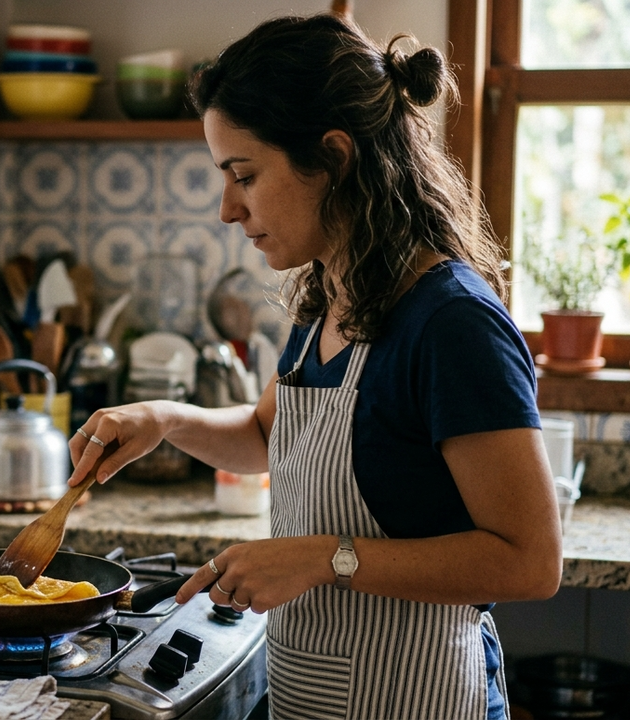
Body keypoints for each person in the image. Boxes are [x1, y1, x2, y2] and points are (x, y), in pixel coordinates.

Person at [67, 13, 562, 720]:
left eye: (244, 175)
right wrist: (164, 420)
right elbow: (265, 434)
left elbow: (530, 562)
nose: (227, 209)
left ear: (333, 157)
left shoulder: (452, 324)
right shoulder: (330, 295)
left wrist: (324, 557)